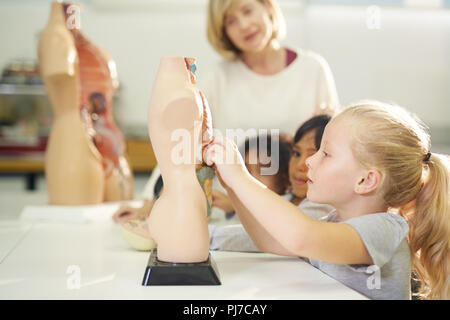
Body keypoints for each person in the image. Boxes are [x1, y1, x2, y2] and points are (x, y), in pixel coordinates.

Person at [204, 101, 449, 300]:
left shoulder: (384, 230)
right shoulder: (333, 223)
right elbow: (270, 239)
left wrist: (241, 177)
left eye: (325, 153)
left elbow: (301, 237)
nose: (310, 161)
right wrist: (235, 189)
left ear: (365, 181)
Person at [201, 0, 339, 136]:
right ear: (224, 33)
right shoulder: (216, 77)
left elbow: (331, 141)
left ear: (268, 6)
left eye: (247, 11)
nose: (243, 25)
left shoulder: (312, 68)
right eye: (231, 21)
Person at [209, 115, 334, 251]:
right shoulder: (289, 199)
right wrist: (233, 200)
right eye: (297, 153)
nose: (300, 165)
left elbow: (264, 235)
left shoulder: (321, 209)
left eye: (313, 155)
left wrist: (209, 236)